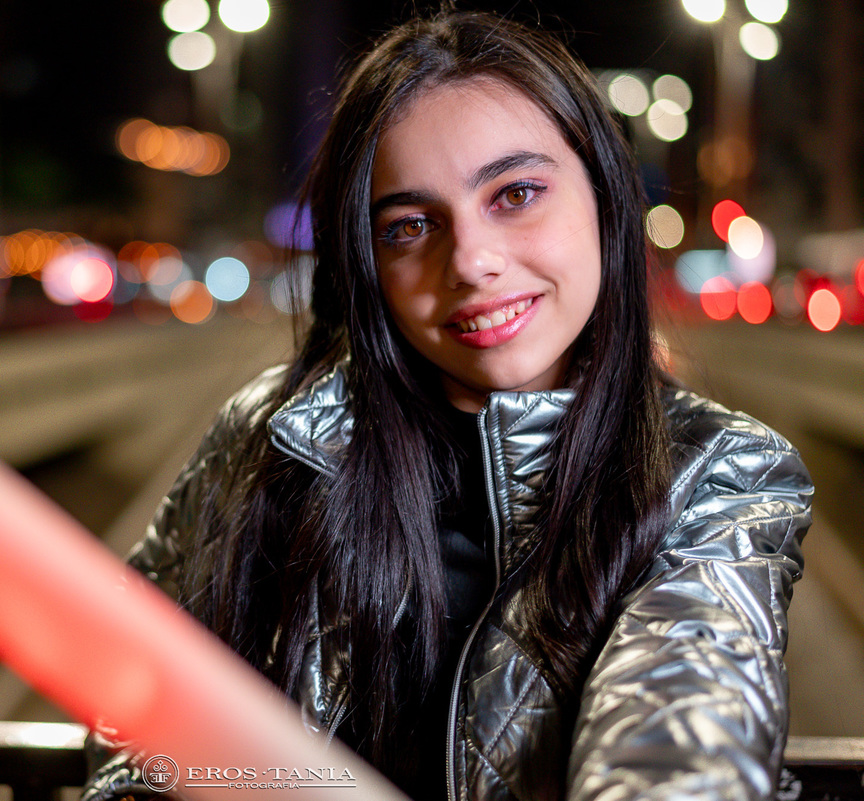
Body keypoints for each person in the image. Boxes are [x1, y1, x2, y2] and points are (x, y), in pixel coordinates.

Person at [84, 8, 813, 801]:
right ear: (365, 262)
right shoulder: (274, 435)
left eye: (517, 193)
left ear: (605, 197)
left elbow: (683, 728)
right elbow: (138, 696)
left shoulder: (722, 473)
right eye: (409, 226)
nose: (468, 261)